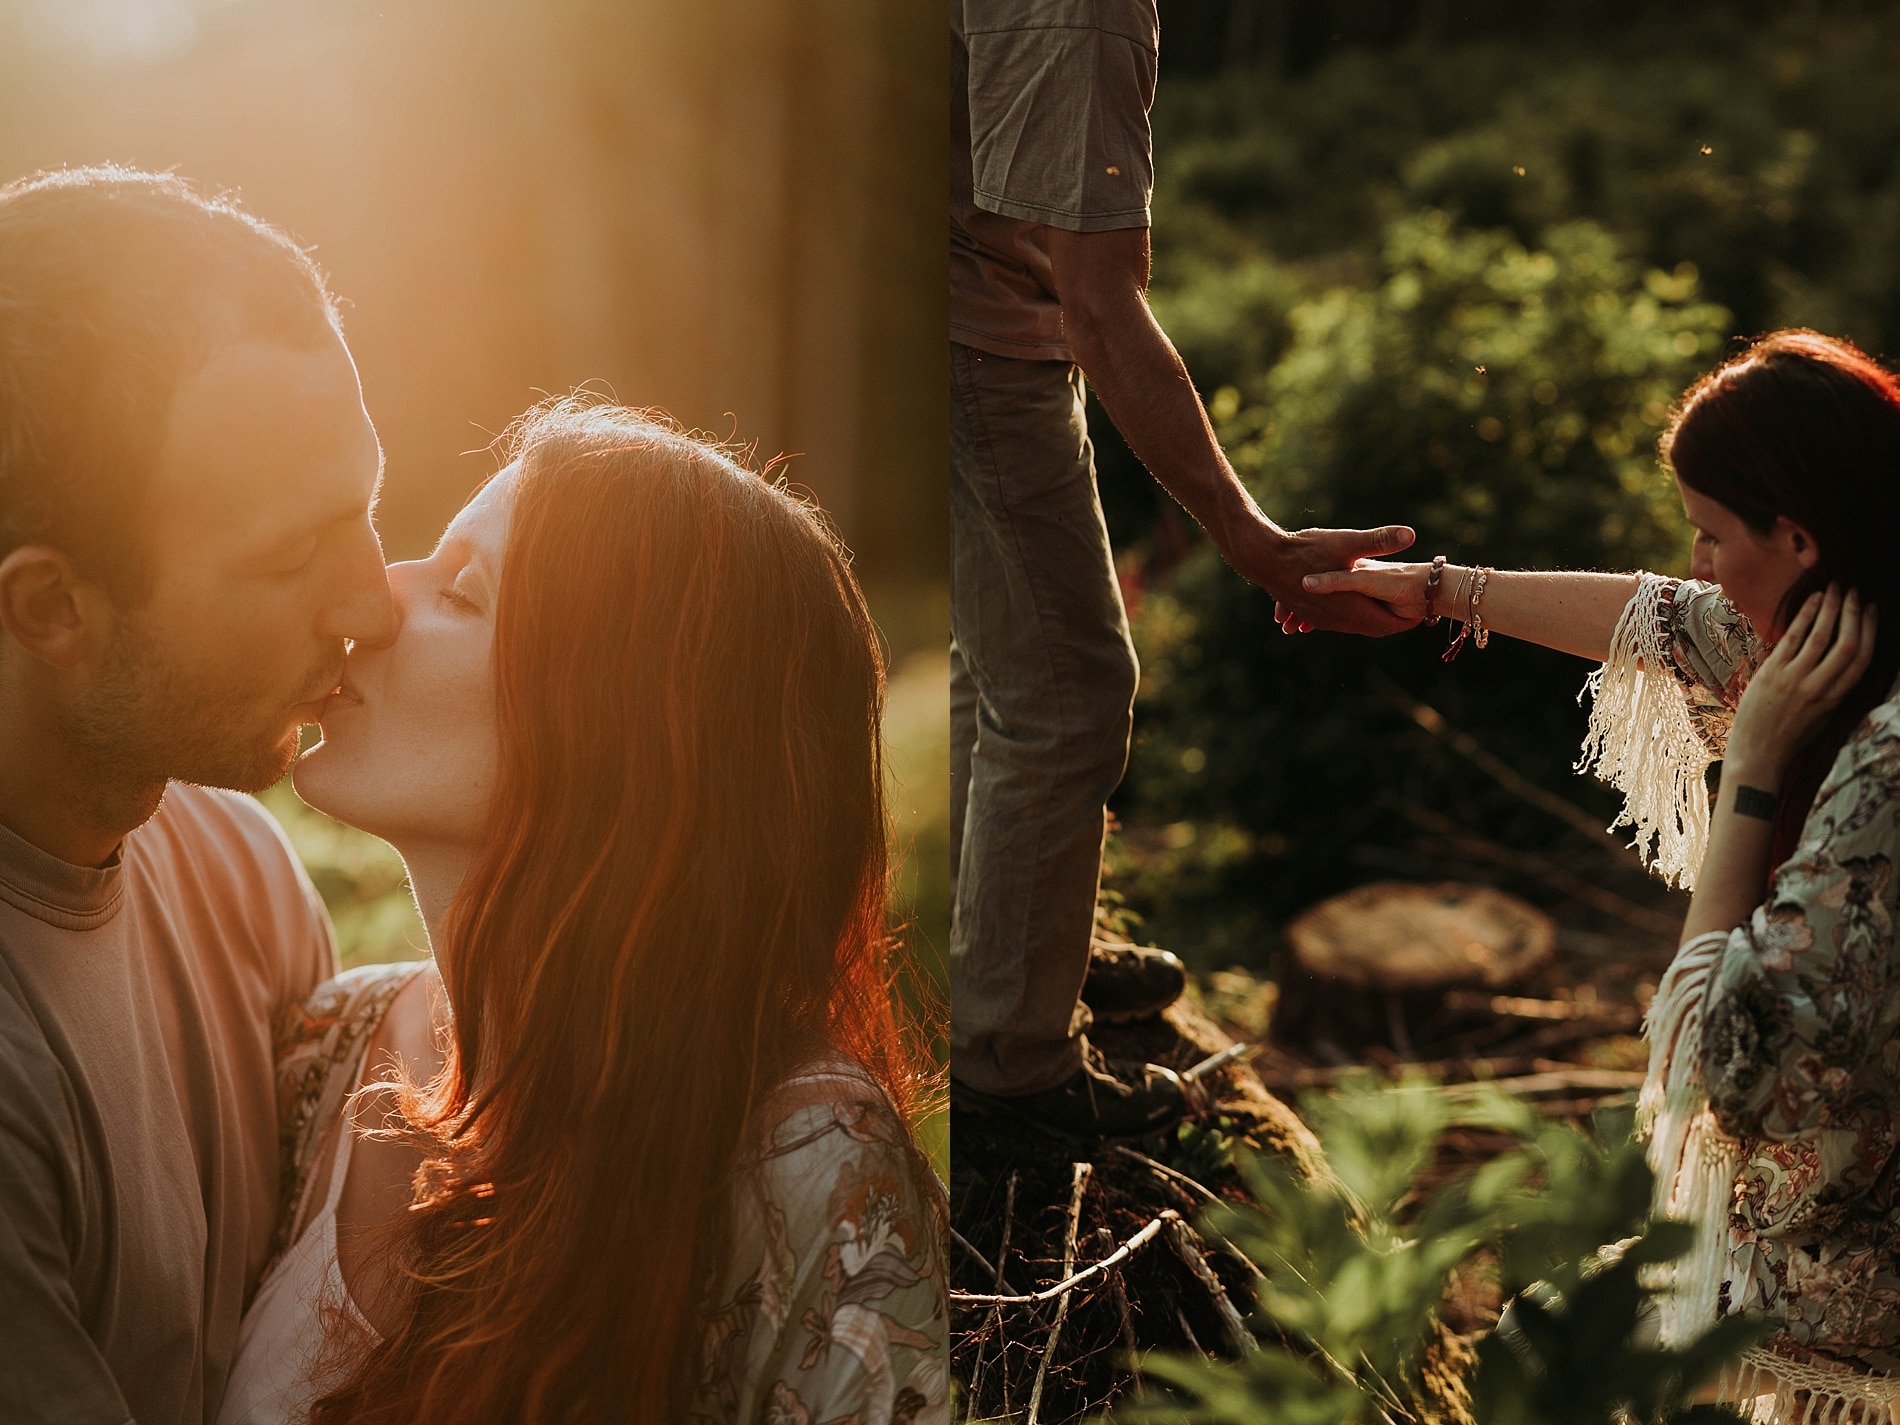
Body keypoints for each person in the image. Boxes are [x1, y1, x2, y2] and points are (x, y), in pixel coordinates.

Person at [214, 401, 947, 1425]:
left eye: (461, 593)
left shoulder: (808, 1171)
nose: (378, 597)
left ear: (620, 728)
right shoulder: (328, 1053)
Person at [1306, 330, 1900, 1414]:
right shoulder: (1847, 636)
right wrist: (1438, 591)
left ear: (1800, 537)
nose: (1700, 564)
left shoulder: (1886, 757)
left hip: (1853, 1303)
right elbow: (1666, 624)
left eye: (1713, 535)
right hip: (1822, 1253)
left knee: (1546, 1351)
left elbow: (1721, 1049)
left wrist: (1753, 776)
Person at [949, 0, 1415, 1137]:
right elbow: (1100, 305)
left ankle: (1001, 954)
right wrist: (1256, 544)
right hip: (972, 349)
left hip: (957, 317)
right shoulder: (1084, 11)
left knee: (1005, 670)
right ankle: (1008, 1073)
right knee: (1067, 699)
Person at [0, 167, 395, 1424]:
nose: (375, 603)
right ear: (53, 606)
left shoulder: (242, 875)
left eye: (367, 510)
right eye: (291, 555)